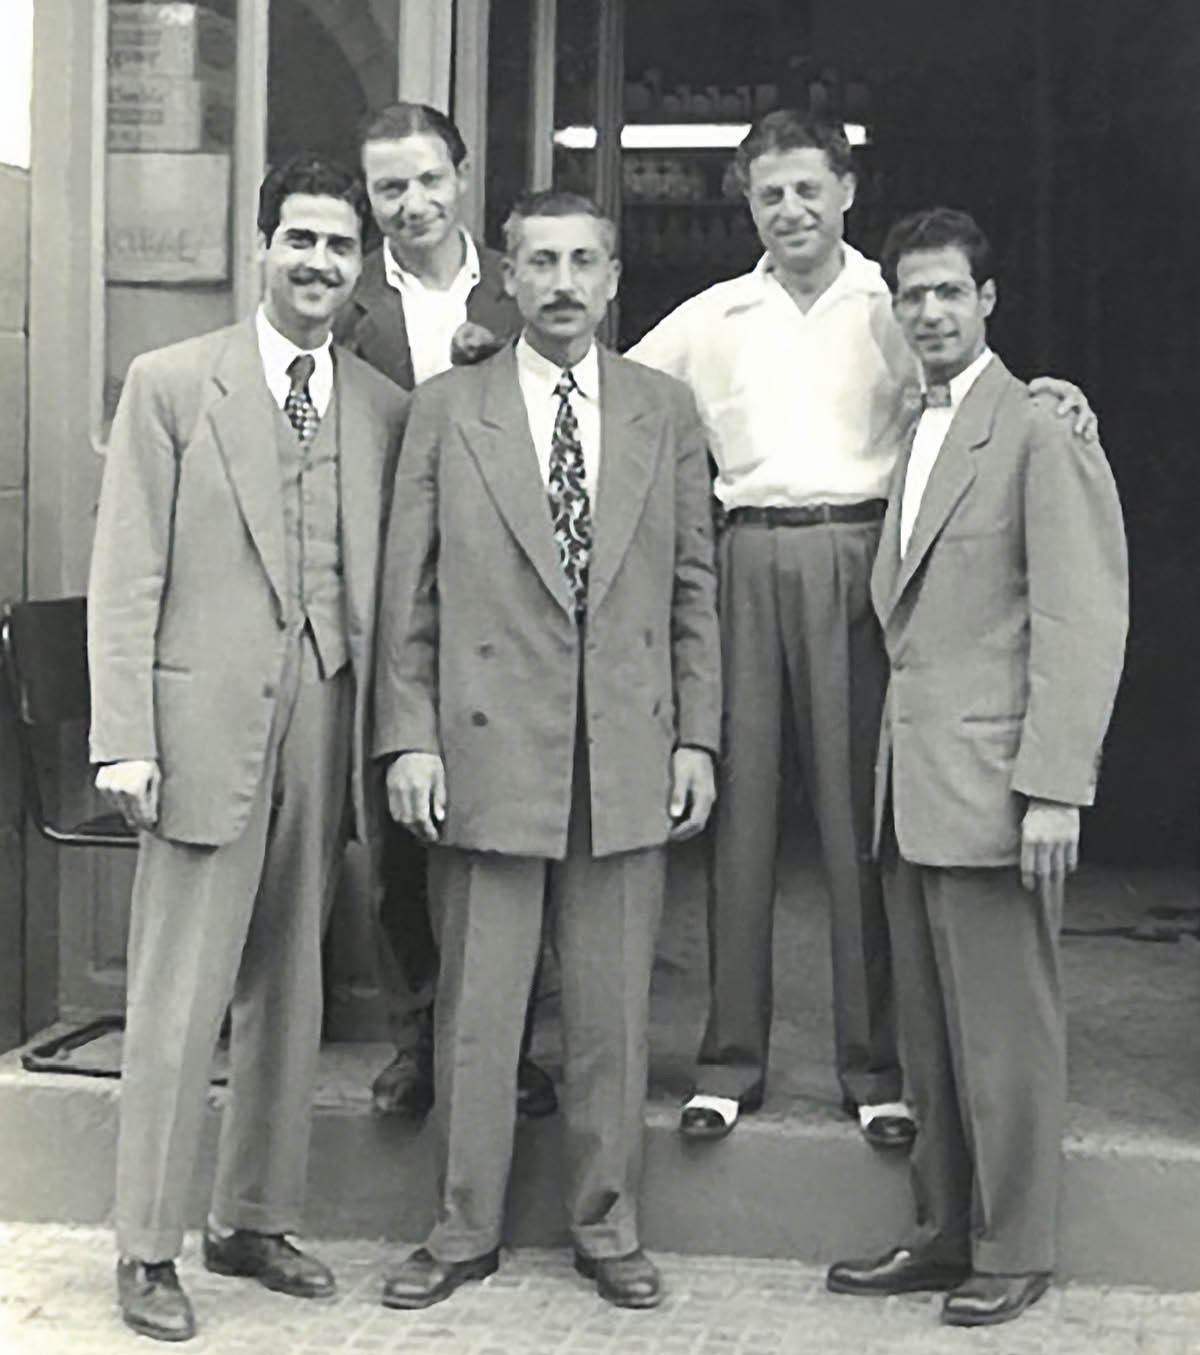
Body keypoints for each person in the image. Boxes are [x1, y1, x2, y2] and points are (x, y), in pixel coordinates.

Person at [628, 109, 1095, 1149]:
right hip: (746, 550)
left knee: (860, 825)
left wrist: (1060, 396)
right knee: (737, 820)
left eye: (807, 188)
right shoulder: (713, 316)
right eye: (768, 193)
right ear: (745, 204)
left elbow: (987, 403)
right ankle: (728, 1061)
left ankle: (873, 1064)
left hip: (867, 563)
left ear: (846, 190)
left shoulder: (899, 301)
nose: (789, 209)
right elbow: (613, 398)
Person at [373, 190, 720, 1312]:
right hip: (484, 752)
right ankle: (461, 1225)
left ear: (615, 278)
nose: (563, 282)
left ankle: (607, 1224)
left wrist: (698, 737)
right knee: (477, 1003)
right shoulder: (446, 409)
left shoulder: (665, 410)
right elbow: (407, 596)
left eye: (584, 261)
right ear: (506, 280)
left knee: (614, 1012)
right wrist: (408, 738)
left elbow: (692, 593)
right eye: (540, 262)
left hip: (623, 750)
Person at [88, 154, 409, 1343]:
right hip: (199, 720)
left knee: (294, 983)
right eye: (301, 240)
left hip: (327, 707)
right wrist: (125, 736)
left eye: (339, 244)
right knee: (181, 996)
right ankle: (145, 1243)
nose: (320, 262)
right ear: (260, 248)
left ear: (359, 264)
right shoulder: (173, 385)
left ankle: (253, 1218)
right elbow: (128, 572)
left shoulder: (379, 406)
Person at [826, 207, 1128, 1327]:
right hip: (911, 789)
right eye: (911, 296)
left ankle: (1018, 1243)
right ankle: (946, 1228)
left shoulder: (1042, 428)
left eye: (950, 291)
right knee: (936, 1038)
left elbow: (1081, 615)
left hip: (1000, 785)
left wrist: (1056, 783)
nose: (930, 312)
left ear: (988, 300)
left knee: (1005, 1032)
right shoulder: (920, 427)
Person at [331, 101, 552, 1121]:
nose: (412, 205)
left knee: (510, 820)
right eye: (389, 188)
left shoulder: (526, 284)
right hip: (387, 580)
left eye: (428, 180)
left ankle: (508, 1043)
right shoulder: (345, 300)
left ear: (463, 175)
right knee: (400, 828)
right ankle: (419, 1036)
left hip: (509, 584)